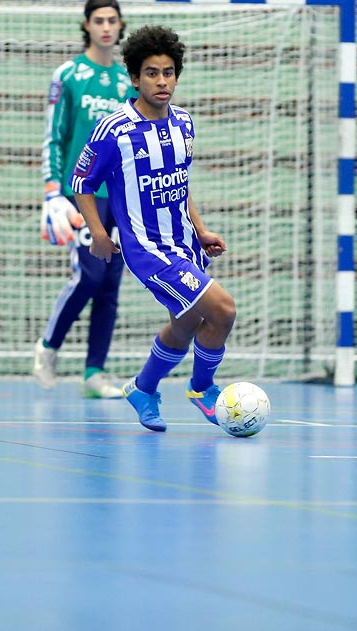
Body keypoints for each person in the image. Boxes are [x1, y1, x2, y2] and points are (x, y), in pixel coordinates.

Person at [69, 25, 236, 432]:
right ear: (134, 78)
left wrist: (200, 230)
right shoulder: (115, 129)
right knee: (224, 310)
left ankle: (143, 388)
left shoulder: (185, 123)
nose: (161, 81)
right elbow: (82, 182)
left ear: (177, 75)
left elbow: (180, 182)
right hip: (148, 249)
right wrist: (100, 235)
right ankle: (202, 387)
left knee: (188, 323)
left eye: (168, 72)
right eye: (151, 73)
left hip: (183, 243)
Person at [34, 0, 132, 399]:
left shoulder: (128, 83)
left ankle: (95, 372)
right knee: (89, 275)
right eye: (98, 20)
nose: (106, 27)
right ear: (87, 26)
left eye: (112, 20)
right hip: (81, 194)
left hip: (120, 198)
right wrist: (53, 192)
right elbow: (54, 137)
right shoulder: (69, 75)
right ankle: (48, 346)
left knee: (110, 283)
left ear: (120, 26)